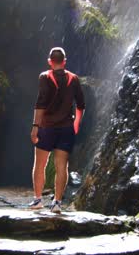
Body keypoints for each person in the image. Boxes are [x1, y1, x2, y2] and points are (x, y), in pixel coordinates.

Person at [29, 47, 85, 213]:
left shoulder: (45, 77)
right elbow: (81, 105)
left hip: (46, 128)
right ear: (65, 61)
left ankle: (38, 200)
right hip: (66, 128)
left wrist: (35, 127)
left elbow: (40, 103)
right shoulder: (74, 78)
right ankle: (57, 203)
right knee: (62, 166)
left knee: (40, 165)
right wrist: (76, 125)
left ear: (50, 61)